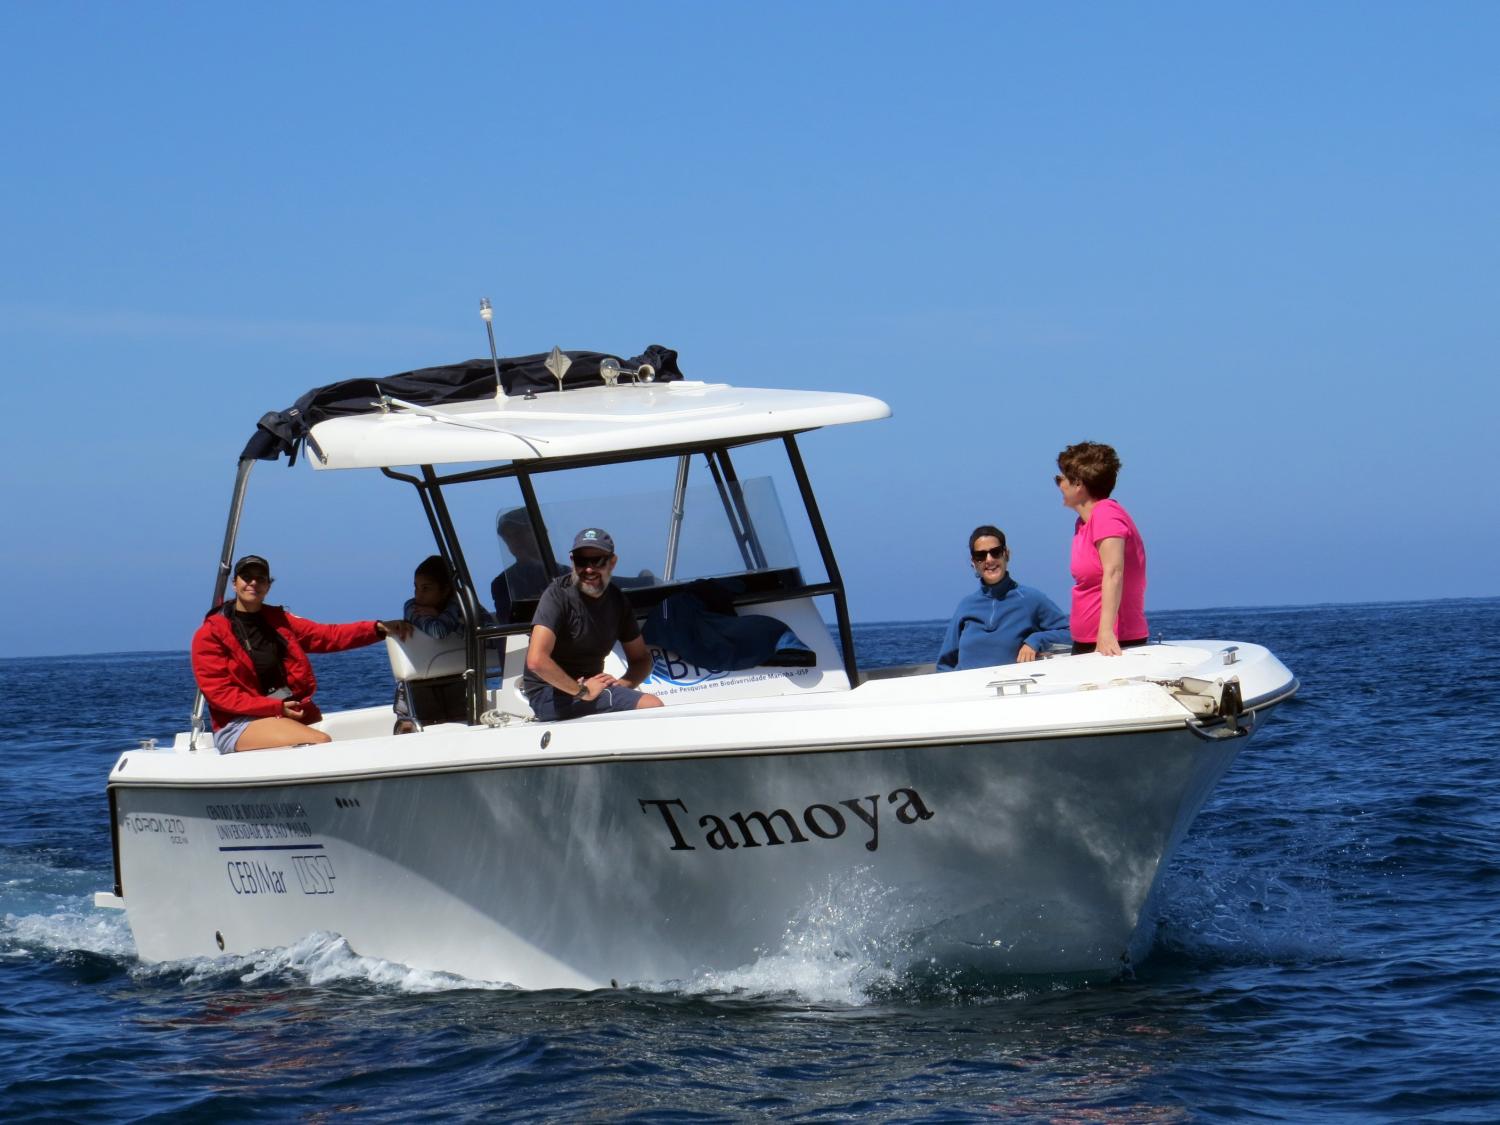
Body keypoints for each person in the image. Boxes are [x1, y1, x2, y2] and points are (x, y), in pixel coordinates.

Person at [191, 555, 413, 753]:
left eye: (261, 578)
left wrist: (377, 628)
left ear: (268, 585)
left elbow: (327, 636)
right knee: (320, 741)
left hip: (280, 713)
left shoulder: (280, 621)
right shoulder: (211, 634)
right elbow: (221, 695)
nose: (253, 582)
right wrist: (275, 707)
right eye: (247, 577)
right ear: (234, 583)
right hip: (237, 724)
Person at [522, 528, 664, 721]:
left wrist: (623, 684)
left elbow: (641, 658)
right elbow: (536, 661)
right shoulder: (557, 595)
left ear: (612, 562)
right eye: (581, 561)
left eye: (597, 560)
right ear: (573, 562)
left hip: (591, 688)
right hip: (549, 694)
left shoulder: (617, 601)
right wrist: (582, 692)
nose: (589, 569)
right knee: (652, 705)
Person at [1055, 442, 1148, 656]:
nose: (1059, 484)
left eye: (1061, 478)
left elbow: (1114, 572)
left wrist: (1105, 632)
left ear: (1078, 484)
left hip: (1113, 642)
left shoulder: (1106, 514)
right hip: (1087, 641)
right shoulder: (1083, 523)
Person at [935, 525, 1069, 671]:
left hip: (1010, 688)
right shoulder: (966, 606)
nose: (989, 560)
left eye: (995, 552)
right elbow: (944, 665)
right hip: (969, 690)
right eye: (981, 556)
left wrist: (1035, 640)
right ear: (973, 562)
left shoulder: (1030, 599)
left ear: (1006, 554)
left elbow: (1070, 633)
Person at [491, 508, 564, 622]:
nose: (514, 541)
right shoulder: (502, 583)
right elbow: (510, 627)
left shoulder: (567, 574)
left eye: (519, 533)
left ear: (541, 533)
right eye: (508, 537)